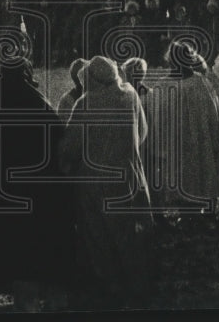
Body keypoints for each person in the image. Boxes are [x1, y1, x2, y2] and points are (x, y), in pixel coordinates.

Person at [0, 59, 75, 305]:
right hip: (41, 204)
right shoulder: (38, 105)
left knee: (20, 266)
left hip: (4, 207)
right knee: (46, 261)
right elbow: (62, 148)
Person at [59, 56, 155, 300]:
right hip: (129, 174)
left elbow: (71, 148)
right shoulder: (130, 94)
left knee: (100, 235)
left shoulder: (85, 103)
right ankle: (137, 283)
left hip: (96, 182)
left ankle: (110, 283)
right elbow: (142, 131)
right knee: (130, 234)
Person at [146, 40, 219, 212]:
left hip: (177, 142)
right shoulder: (200, 83)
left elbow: (157, 119)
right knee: (196, 170)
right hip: (196, 139)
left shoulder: (163, 86)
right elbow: (213, 112)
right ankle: (195, 209)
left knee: (184, 173)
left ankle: (188, 209)